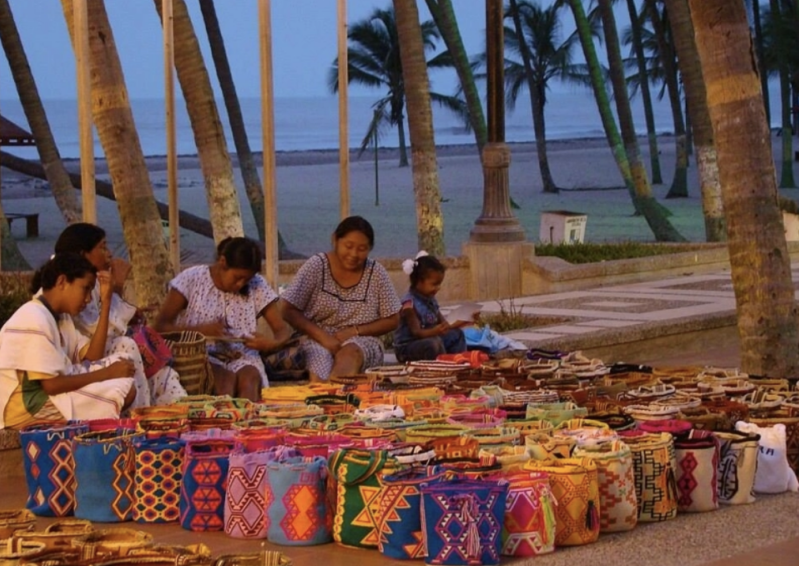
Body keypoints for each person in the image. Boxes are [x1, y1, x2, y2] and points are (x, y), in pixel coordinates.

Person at [53, 223, 186, 407]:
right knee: (127, 345)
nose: (109, 253)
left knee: (163, 372)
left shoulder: (93, 280)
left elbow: (114, 322)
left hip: (96, 354)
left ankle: (178, 409)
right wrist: (117, 287)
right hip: (84, 363)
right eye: (102, 247)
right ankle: (141, 413)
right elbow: (103, 334)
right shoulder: (73, 285)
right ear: (84, 255)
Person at [0, 254, 136, 430]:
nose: (88, 299)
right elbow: (52, 385)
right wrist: (108, 374)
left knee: (123, 363)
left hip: (45, 398)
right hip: (27, 409)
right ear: (62, 281)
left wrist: (107, 301)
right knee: (124, 389)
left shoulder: (59, 318)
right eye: (85, 289)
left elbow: (92, 356)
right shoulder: (33, 317)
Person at [154, 237, 291, 401]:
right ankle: (222, 422)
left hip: (243, 356)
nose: (241, 284)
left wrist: (271, 343)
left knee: (250, 380)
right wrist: (200, 331)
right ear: (222, 262)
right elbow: (159, 327)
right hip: (202, 357)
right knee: (224, 384)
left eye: (246, 280)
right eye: (237, 277)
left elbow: (282, 330)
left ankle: (249, 423)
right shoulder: (192, 279)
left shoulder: (257, 284)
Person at [282, 216, 401, 382]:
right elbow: (288, 309)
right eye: (348, 246)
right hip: (316, 337)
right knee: (319, 361)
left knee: (350, 353)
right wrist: (323, 337)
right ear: (335, 240)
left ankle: (339, 396)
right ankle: (322, 397)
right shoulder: (316, 266)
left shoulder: (376, 272)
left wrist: (355, 331)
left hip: (362, 341)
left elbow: (392, 319)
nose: (353, 254)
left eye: (362, 249)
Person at [393, 252, 467, 362]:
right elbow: (416, 332)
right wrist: (435, 331)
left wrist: (461, 320)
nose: (438, 288)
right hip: (409, 347)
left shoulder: (431, 300)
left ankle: (459, 362)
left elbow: (443, 323)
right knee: (434, 343)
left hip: (431, 338)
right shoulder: (408, 304)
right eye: (434, 284)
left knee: (457, 335)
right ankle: (442, 368)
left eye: (439, 284)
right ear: (419, 281)